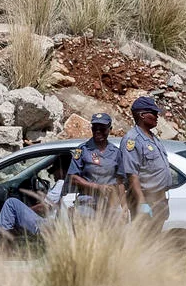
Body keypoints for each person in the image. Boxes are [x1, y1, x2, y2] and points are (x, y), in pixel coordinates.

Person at [121, 96, 172, 234]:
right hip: (146, 199)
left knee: (154, 240)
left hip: (159, 198)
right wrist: (142, 203)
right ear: (142, 115)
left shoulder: (153, 137)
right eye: (154, 113)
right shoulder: (132, 139)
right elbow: (132, 174)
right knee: (145, 241)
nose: (157, 117)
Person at [68, 113, 125, 213]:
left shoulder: (116, 152)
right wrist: (97, 187)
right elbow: (73, 178)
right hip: (87, 203)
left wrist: (124, 208)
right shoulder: (82, 150)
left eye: (102, 128)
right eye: (95, 128)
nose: (98, 132)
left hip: (110, 204)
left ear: (110, 129)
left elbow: (120, 183)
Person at [0, 163, 66, 236]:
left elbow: (44, 208)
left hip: (46, 226)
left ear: (62, 171)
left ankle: (1, 237)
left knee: (11, 203)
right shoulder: (66, 185)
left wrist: (25, 210)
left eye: (55, 170)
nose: (52, 174)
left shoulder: (61, 183)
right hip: (52, 224)